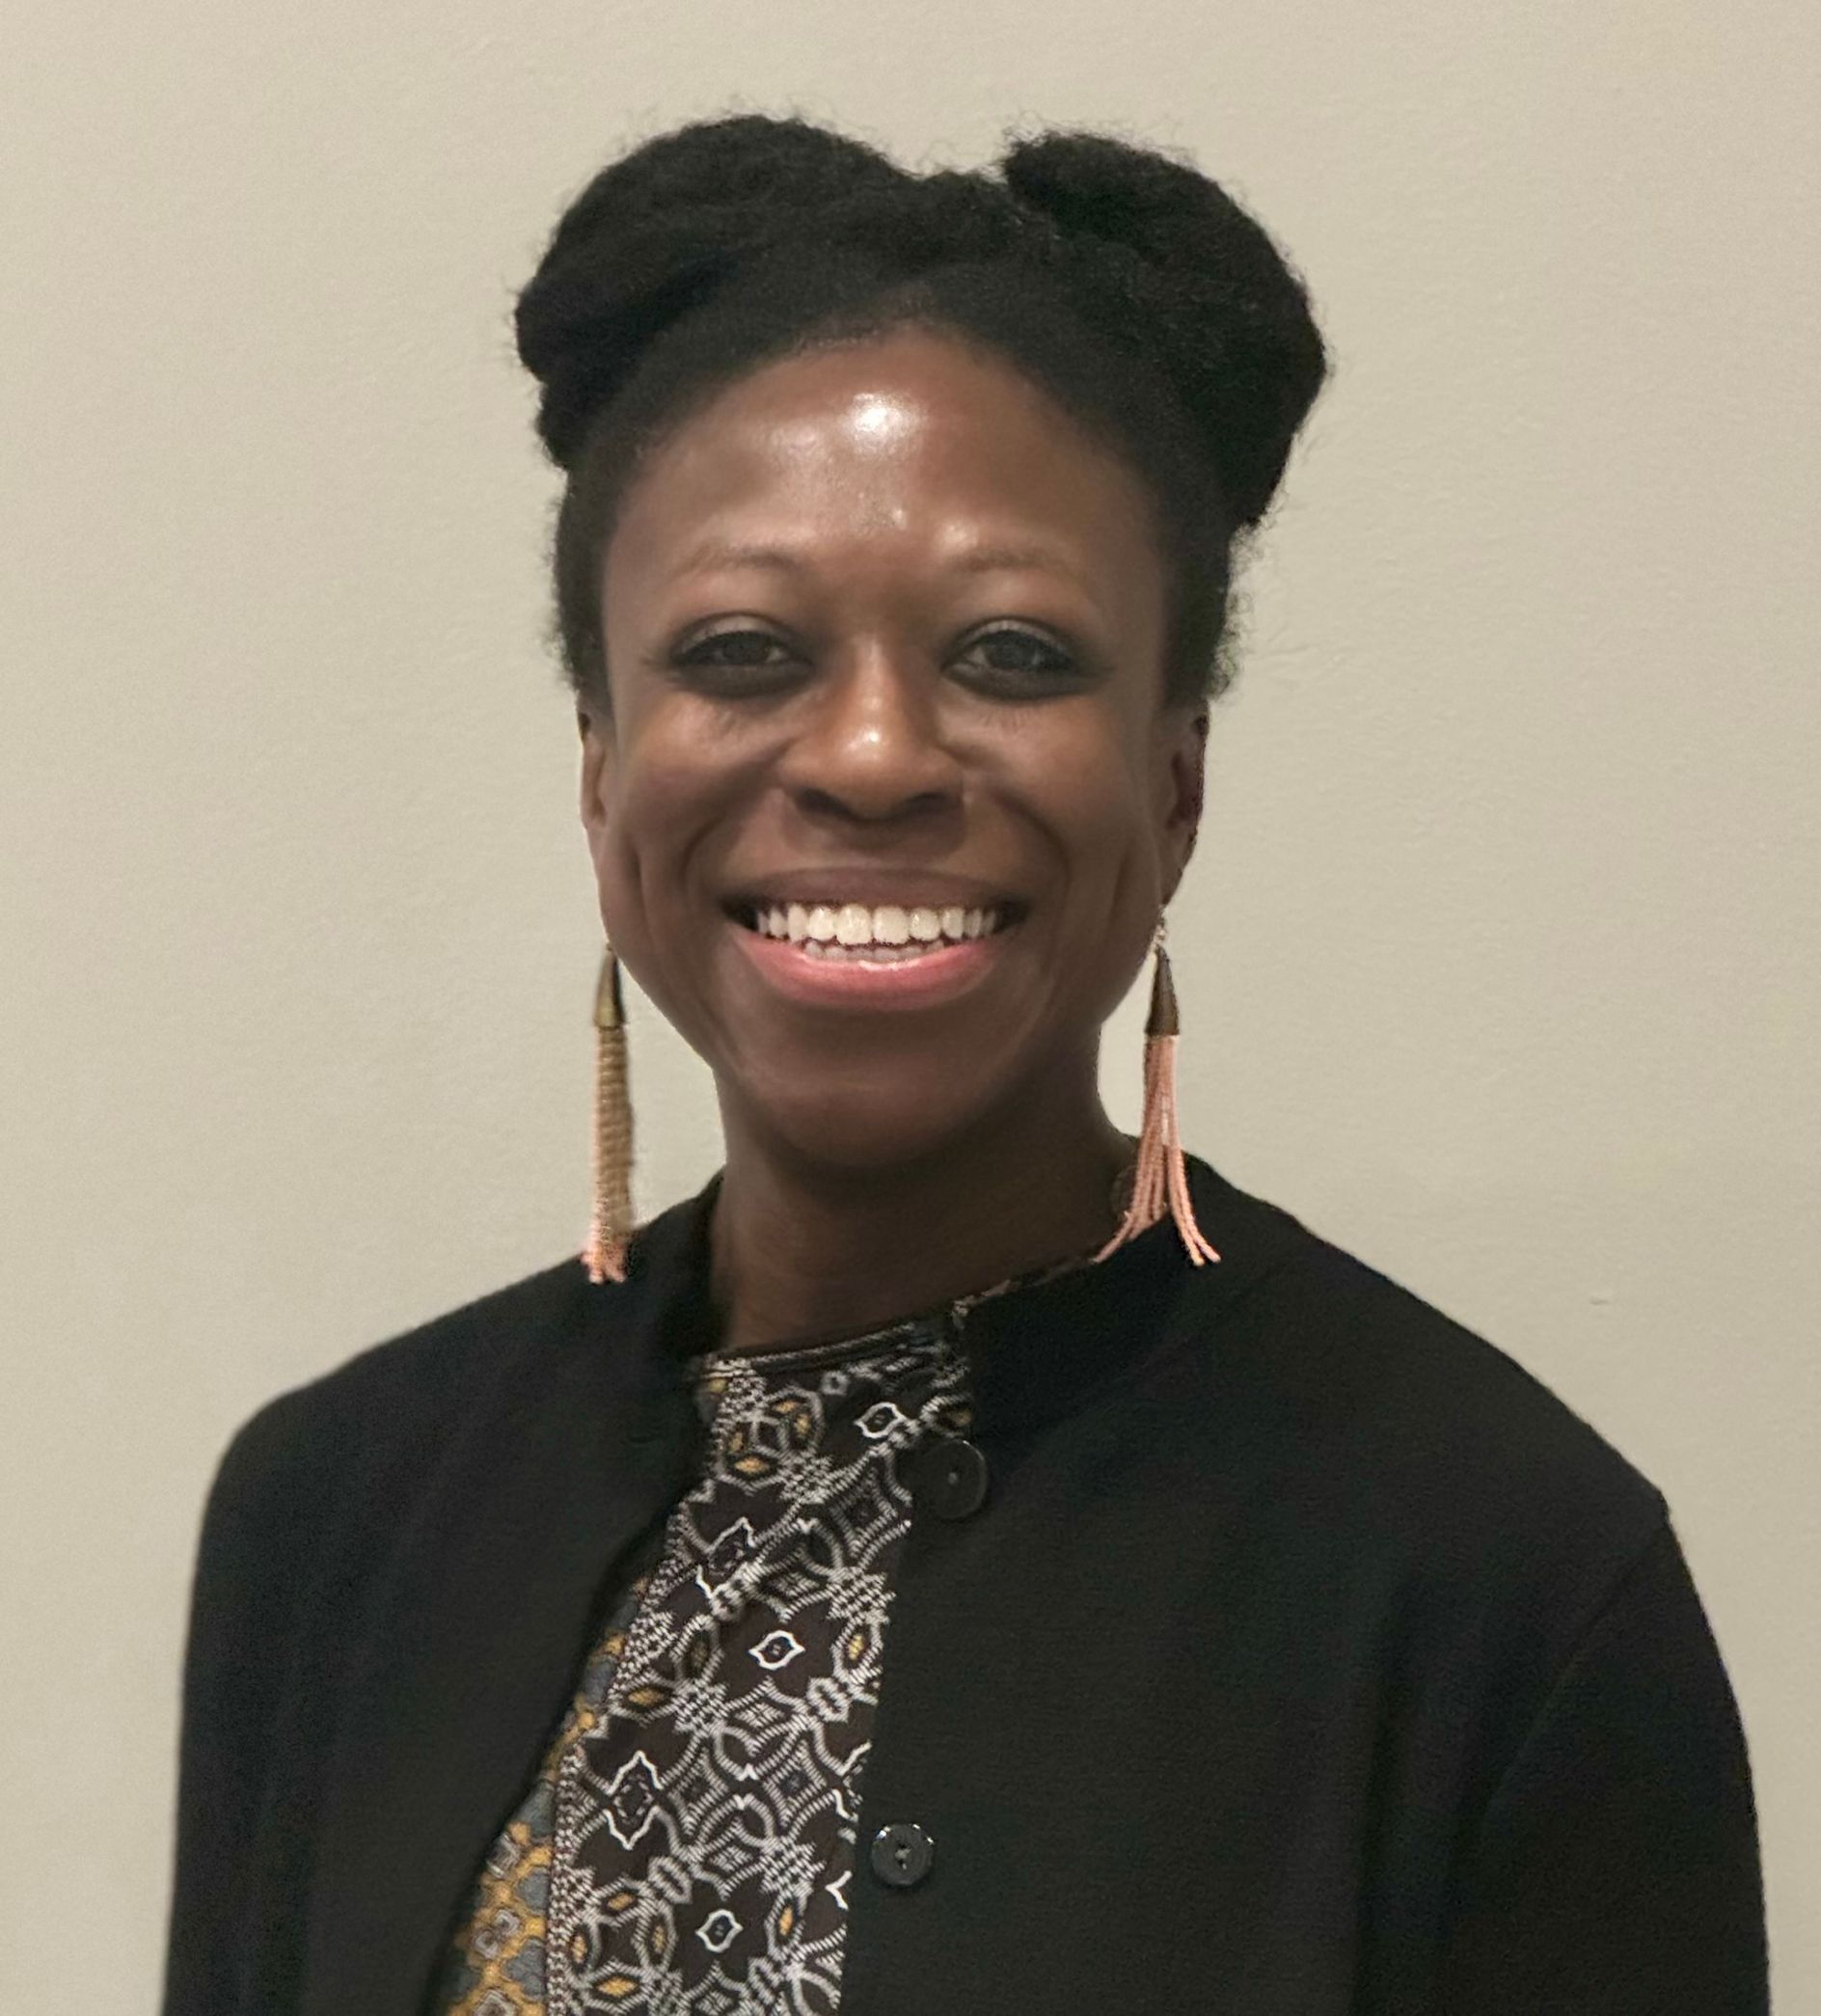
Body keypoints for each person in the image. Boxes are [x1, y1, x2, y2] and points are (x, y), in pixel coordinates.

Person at [160, 114, 1769, 2016]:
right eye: (743, 651)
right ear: (601, 772)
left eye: (1010, 655)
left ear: (1171, 786)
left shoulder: (1494, 1575)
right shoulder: (335, 1515)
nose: (865, 754)